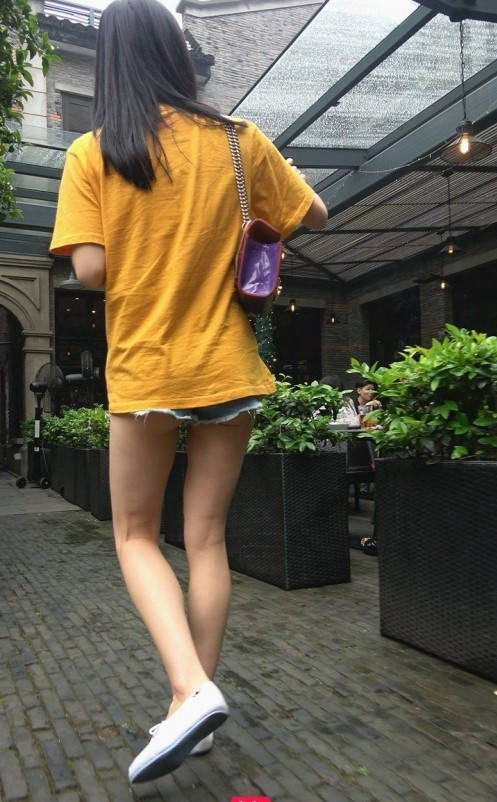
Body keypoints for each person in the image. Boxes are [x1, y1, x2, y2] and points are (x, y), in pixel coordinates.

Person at [49, 0, 328, 785]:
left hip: (148, 367)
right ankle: (191, 708)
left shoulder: (93, 151)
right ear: (178, 53)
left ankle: (189, 688)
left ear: (110, 61)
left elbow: (91, 270)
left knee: (136, 535)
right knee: (206, 539)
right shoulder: (239, 141)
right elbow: (310, 213)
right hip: (228, 365)